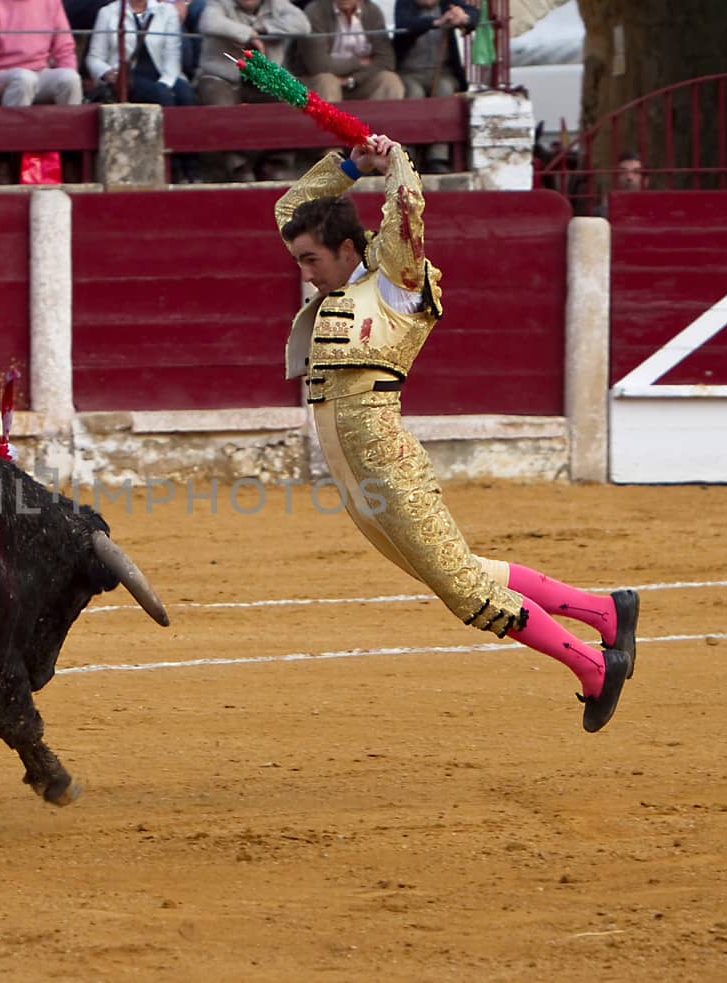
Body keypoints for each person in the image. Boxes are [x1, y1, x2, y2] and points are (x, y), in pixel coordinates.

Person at [273, 134, 638, 732]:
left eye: (313, 261)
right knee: (452, 568)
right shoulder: (342, 277)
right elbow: (291, 211)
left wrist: (394, 164)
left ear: (347, 249)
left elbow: (406, 209)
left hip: (386, 463)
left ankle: (596, 668)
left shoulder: (394, 278)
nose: (307, 275)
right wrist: (349, 166)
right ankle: (605, 610)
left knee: (463, 589)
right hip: (354, 472)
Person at [84, 0, 199, 182]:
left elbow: (173, 55)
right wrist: (107, 73)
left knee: (185, 94)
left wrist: (165, 83)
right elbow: (94, 57)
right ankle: (173, 168)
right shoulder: (109, 12)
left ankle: (191, 166)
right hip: (128, 78)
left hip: (164, 73)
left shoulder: (166, 11)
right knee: (161, 96)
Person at [194, 0, 310, 181]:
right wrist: (248, 34)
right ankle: (238, 166)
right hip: (222, 75)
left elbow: (303, 25)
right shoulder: (218, 3)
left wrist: (264, 27)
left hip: (264, 74)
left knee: (294, 94)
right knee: (220, 103)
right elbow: (209, 22)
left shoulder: (277, 4)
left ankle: (277, 163)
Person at [392, 0, 473, 172]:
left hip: (442, 71)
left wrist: (462, 16)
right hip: (410, 72)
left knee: (444, 91)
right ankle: (409, 153)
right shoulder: (404, 5)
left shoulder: (447, 4)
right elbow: (405, 24)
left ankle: (438, 156)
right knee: (414, 93)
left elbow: (473, 14)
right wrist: (436, 23)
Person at [0, 0, 82, 107]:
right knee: (25, 79)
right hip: (3, 74)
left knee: (70, 78)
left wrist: (70, 70)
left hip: (40, 72)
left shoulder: (51, 2)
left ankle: (67, 126)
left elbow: (64, 47)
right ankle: (13, 126)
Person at [293, 0, 402, 106]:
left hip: (359, 81)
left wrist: (353, 80)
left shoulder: (372, 11)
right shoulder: (316, 11)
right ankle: (332, 123)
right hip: (318, 80)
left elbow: (386, 61)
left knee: (390, 81)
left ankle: (381, 123)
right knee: (328, 82)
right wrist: (358, 62)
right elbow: (319, 66)